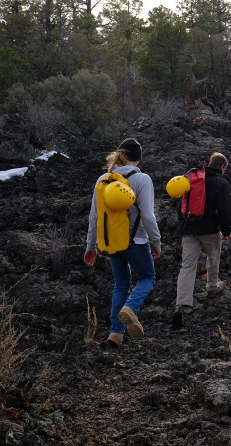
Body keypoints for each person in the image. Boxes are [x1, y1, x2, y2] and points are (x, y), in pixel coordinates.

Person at [83, 138, 162, 349]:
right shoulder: (142, 179)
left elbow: (94, 217)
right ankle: (130, 308)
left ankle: (115, 335)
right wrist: (156, 241)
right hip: (136, 241)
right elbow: (147, 215)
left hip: (111, 243)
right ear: (139, 157)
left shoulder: (103, 179)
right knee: (147, 277)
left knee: (121, 283)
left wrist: (91, 246)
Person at [172, 152, 231, 328]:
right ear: (222, 167)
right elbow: (225, 210)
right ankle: (212, 288)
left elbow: (181, 204)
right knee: (213, 257)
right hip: (209, 229)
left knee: (187, 265)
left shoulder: (192, 178)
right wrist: (226, 230)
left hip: (188, 228)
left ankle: (181, 305)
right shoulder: (221, 182)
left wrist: (183, 224)